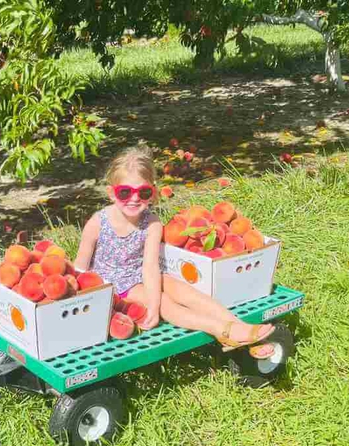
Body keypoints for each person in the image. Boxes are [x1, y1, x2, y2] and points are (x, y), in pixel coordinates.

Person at [73, 145, 274, 357]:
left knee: (185, 291)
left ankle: (239, 326)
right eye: (124, 192)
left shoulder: (151, 223)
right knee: (166, 304)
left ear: (152, 192)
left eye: (143, 192)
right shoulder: (98, 223)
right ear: (111, 194)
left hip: (140, 276)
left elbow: (149, 266)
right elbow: (80, 268)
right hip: (116, 287)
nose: (134, 199)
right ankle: (222, 330)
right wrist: (152, 305)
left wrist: (152, 298)